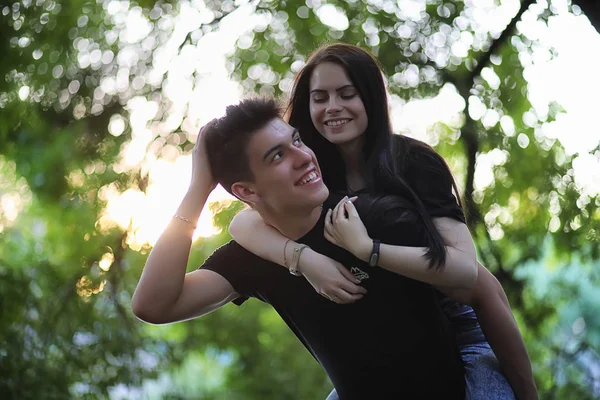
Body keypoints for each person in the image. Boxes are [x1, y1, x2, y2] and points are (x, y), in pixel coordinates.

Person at [228, 43, 538, 400]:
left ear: (373, 98)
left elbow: (468, 272)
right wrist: (302, 259)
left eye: (347, 94)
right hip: (385, 350)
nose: (333, 107)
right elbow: (242, 224)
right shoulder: (313, 174)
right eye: (320, 97)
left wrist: (368, 249)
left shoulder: (414, 164)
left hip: (456, 332)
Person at [132, 98, 468, 399]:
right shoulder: (254, 257)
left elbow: (477, 288)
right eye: (278, 156)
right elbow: (154, 306)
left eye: (296, 140)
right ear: (246, 191)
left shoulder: (375, 218)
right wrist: (198, 189)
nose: (305, 157)